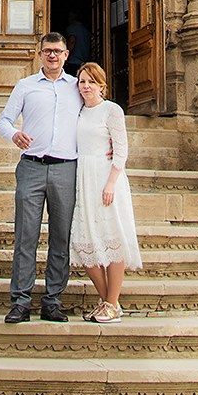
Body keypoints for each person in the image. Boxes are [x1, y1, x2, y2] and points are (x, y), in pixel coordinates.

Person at [0, 32, 82, 323]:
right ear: (39, 54)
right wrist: (14, 134)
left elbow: (95, 118)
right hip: (31, 167)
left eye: (58, 51)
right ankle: (20, 301)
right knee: (26, 236)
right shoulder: (26, 86)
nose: (53, 56)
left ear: (66, 55)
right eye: (47, 51)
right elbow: (4, 120)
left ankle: (53, 300)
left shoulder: (77, 87)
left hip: (65, 169)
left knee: (61, 236)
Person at [69, 62, 141, 324]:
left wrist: (111, 182)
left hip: (106, 178)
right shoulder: (77, 112)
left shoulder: (112, 110)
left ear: (101, 85)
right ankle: (109, 302)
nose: (85, 86)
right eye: (82, 81)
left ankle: (110, 303)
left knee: (112, 236)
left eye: (91, 81)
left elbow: (121, 149)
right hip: (82, 178)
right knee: (83, 241)